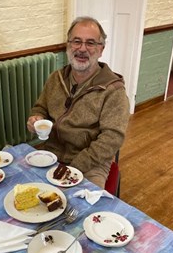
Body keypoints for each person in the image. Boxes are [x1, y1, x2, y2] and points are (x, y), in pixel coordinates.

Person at [27, 16, 130, 189]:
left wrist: (74, 166)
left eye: (90, 43)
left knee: (81, 210)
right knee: (24, 193)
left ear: (101, 49)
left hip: (91, 163)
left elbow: (112, 139)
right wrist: (35, 117)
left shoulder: (113, 91)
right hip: (51, 152)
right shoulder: (55, 78)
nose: (82, 49)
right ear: (68, 45)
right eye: (76, 41)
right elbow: (40, 107)